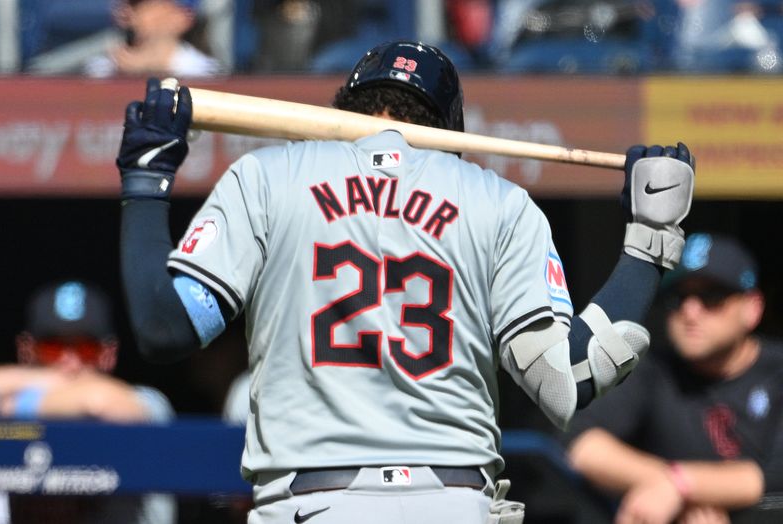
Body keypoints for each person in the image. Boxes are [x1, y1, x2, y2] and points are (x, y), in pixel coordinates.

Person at [116, 40, 694, 523]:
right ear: (451, 129)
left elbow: (165, 327)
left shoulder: (268, 177)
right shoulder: (500, 203)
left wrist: (147, 181)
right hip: (454, 502)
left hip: (309, 503)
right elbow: (569, 378)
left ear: (346, 106)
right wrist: (650, 238)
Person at [564, 232, 783, 524]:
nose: (691, 312)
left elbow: (772, 478)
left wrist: (679, 486)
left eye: (712, 297)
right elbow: (583, 446)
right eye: (678, 298)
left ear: (753, 307)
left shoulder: (777, 369)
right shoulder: (654, 369)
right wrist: (672, 488)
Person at [0, 279, 176, 524]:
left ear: (108, 354)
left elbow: (100, 403)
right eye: (52, 347)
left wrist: (9, 405)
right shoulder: (13, 392)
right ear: (26, 350)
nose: (70, 363)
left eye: (86, 348)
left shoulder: (143, 401)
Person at [84, 0, 222, 78]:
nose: (125, 12)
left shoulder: (206, 71)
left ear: (181, 17)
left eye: (140, 5)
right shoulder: (104, 68)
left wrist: (152, 70)